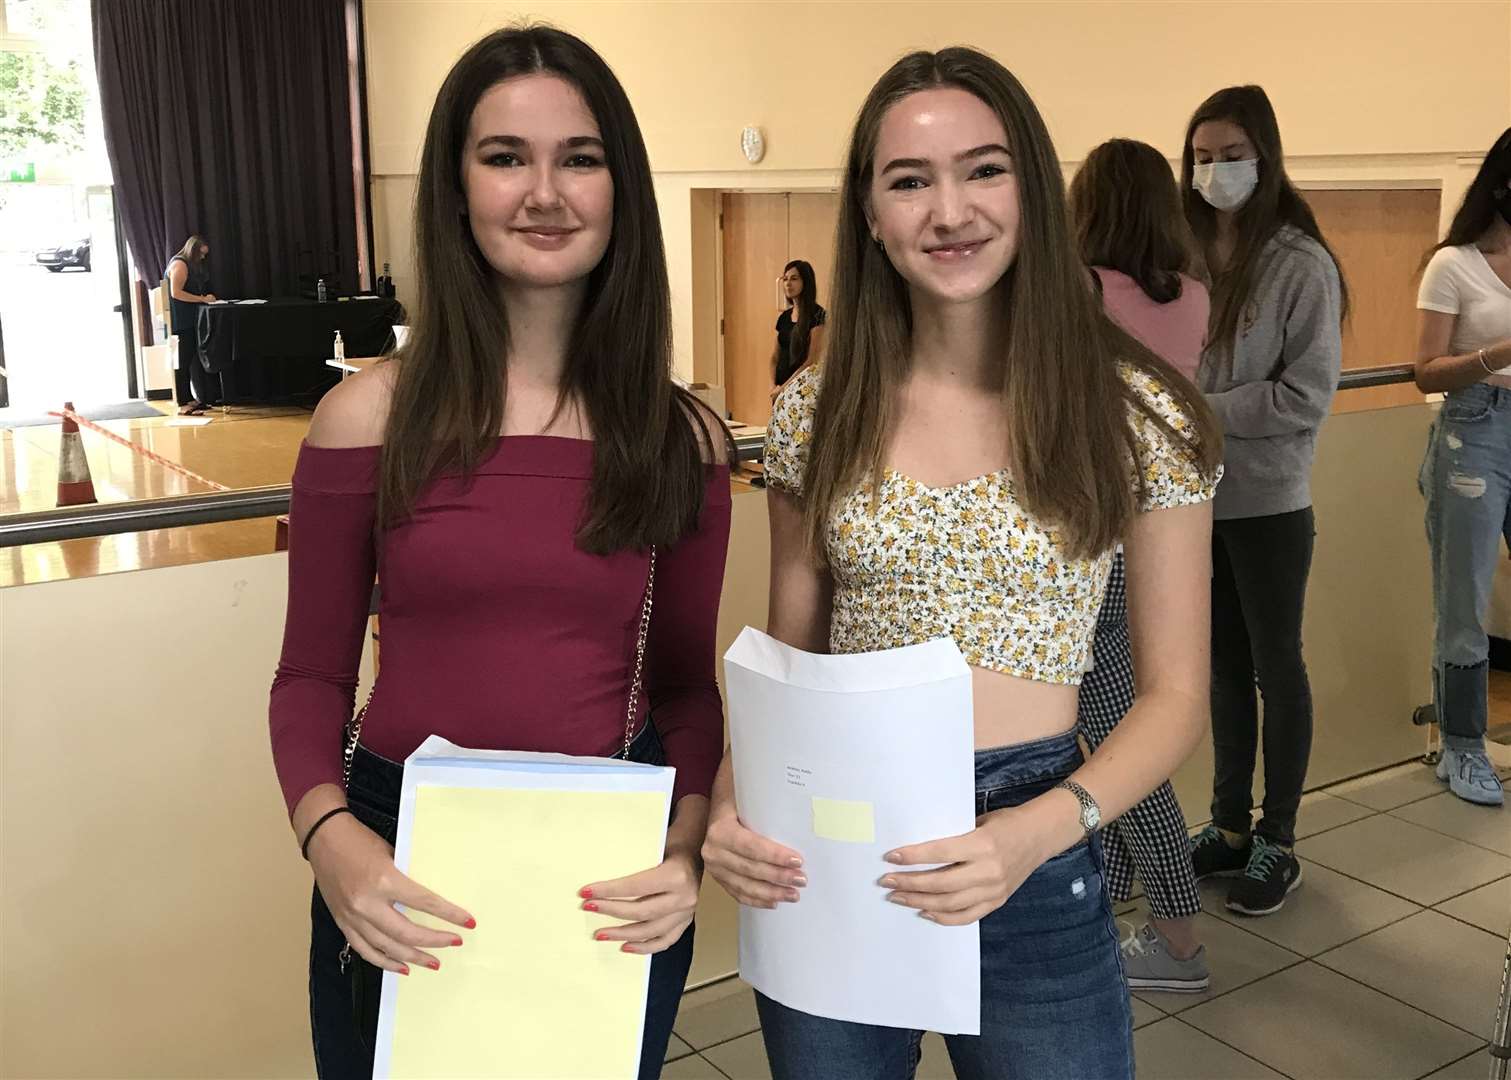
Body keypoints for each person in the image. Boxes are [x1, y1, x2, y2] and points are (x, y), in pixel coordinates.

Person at [702, 47, 1222, 1079]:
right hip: (837, 835)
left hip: (1032, 838)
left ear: (1029, 185)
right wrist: (729, 799)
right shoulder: (819, 405)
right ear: (868, 212)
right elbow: (786, 657)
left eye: (982, 170)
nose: (949, 211)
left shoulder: (1130, 411)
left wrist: (1036, 832)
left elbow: (1171, 694)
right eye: (909, 180)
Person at [268, 25, 733, 1078]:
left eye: (579, 157)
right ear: (455, 184)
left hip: (608, 858)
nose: (544, 192)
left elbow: (684, 691)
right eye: (503, 157)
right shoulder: (365, 420)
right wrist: (330, 841)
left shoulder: (678, 436)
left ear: (619, 186)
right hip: (398, 853)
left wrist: (685, 845)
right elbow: (308, 676)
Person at [1181, 85, 1347, 916]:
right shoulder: (1177, 256)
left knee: (1276, 668)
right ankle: (1227, 824)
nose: (1214, 170)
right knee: (1219, 669)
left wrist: (1199, 412)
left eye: (1231, 154)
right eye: (1202, 155)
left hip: (1270, 503)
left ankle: (1277, 836)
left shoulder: (1299, 262)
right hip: (1189, 504)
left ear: (1265, 158)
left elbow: (1305, 395)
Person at [1068, 137, 1211, 990]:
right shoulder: (1190, 294)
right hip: (1165, 529)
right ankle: (1121, 886)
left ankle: (1179, 937)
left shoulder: (1082, 292)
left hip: (1097, 539)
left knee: (1124, 742)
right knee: (1129, 720)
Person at [1411, 127, 1511, 807]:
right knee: (1463, 602)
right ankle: (1464, 746)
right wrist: (1500, 350)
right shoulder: (1454, 264)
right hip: (1474, 429)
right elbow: (1426, 369)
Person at [164, 234, 219, 415]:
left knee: (187, 360)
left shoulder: (188, 264)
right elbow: (176, 293)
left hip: (188, 320)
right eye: (201, 254)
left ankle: (188, 398)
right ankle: (182, 402)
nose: (202, 258)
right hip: (180, 321)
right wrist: (202, 299)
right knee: (182, 361)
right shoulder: (180, 264)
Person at [772, 259, 826, 397]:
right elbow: (774, 357)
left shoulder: (817, 315)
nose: (788, 284)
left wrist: (784, 388)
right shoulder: (784, 317)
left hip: (802, 390)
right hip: (779, 391)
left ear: (806, 282)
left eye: (794, 279)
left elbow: (811, 360)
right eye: (785, 279)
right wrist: (774, 386)